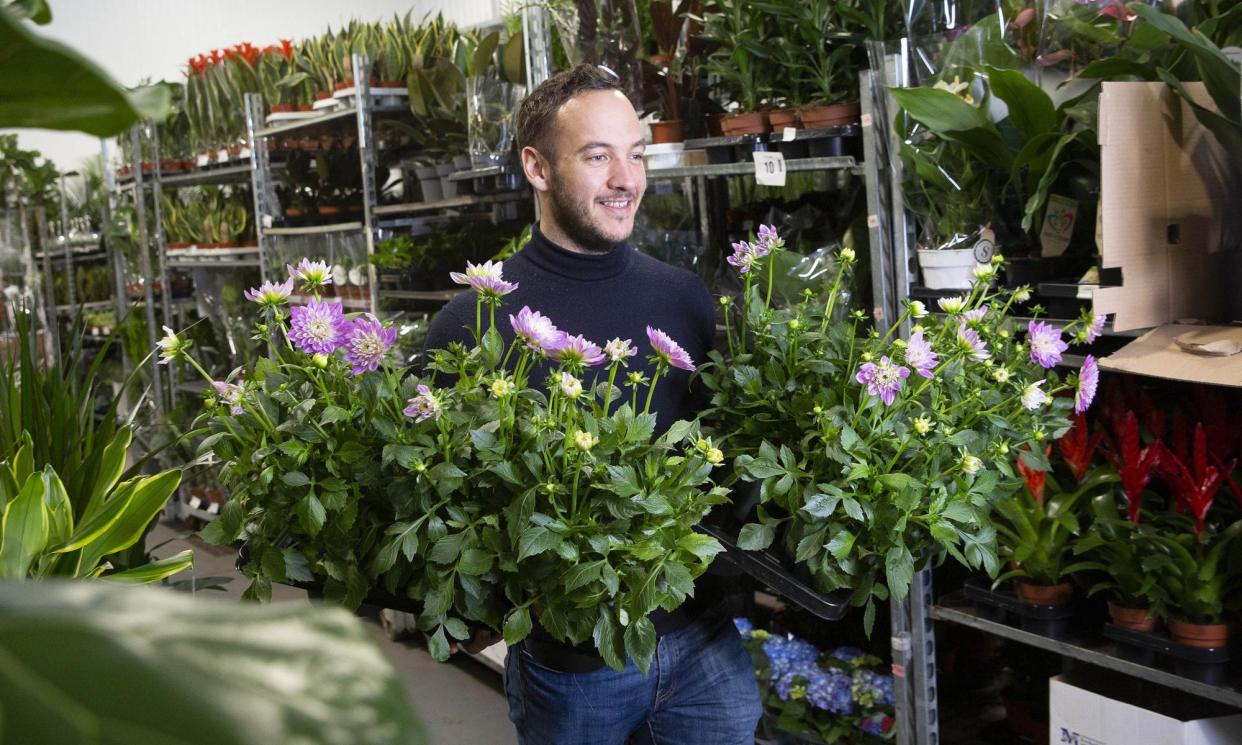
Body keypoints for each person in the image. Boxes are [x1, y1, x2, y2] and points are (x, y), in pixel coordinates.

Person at [423, 64, 762, 745]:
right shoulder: (474, 324)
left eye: (635, 155)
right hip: (578, 666)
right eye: (597, 156)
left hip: (703, 642)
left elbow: (728, 462)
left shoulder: (684, 299)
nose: (625, 180)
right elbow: (452, 504)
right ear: (537, 168)